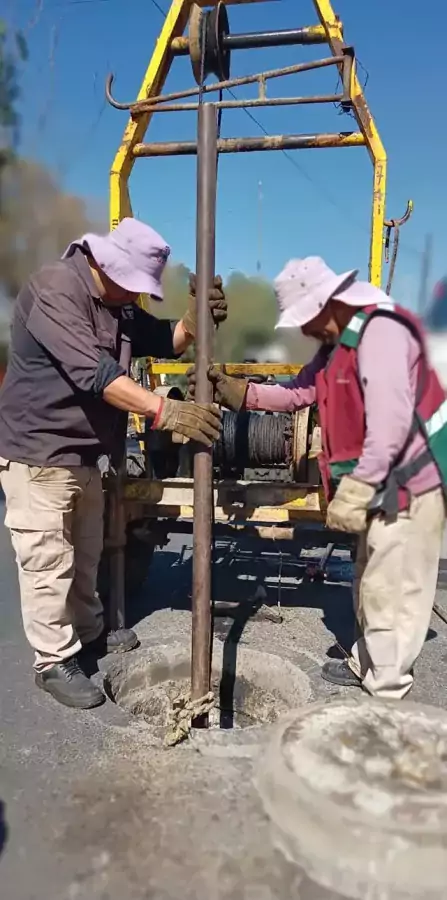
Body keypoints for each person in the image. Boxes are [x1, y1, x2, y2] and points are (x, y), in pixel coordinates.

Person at [188, 256, 447, 700]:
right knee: (370, 580)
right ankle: (370, 661)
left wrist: (358, 490)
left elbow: (390, 426)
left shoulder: (380, 334)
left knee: (392, 588)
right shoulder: (336, 348)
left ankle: (385, 694)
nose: (305, 332)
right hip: (381, 485)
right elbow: (298, 393)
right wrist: (244, 393)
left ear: (328, 304)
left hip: (409, 484)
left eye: (306, 321)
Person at [0, 217, 226, 710]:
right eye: (135, 286)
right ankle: (53, 661)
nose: (137, 297)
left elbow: (166, 340)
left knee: (85, 556)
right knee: (47, 563)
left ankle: (86, 634)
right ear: (108, 264)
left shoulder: (119, 304)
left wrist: (194, 318)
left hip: (84, 454)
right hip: (39, 453)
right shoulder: (56, 289)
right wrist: (167, 410)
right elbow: (96, 373)